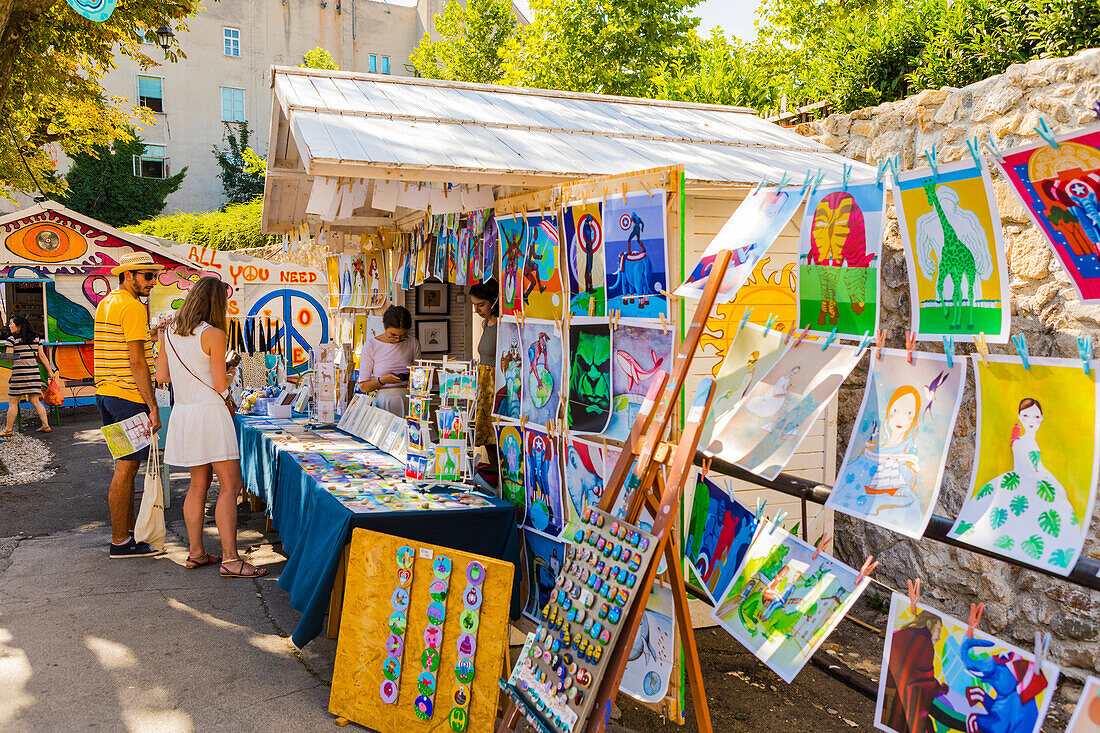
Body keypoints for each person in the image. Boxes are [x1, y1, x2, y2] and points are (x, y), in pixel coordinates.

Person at [155, 276, 268, 578]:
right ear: (217, 304)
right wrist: (229, 379)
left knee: (197, 484)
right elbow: (220, 385)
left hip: (184, 413)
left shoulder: (167, 332)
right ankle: (231, 559)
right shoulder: (214, 334)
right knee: (229, 486)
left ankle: (196, 552)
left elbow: (163, 376)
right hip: (211, 414)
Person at [94, 251, 163, 559]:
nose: (153, 281)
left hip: (107, 394)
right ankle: (120, 541)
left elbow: (124, 346)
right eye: (147, 276)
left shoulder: (107, 302)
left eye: (154, 276)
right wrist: (153, 406)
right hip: (128, 397)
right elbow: (137, 362)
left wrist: (150, 336)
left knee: (124, 465)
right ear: (127, 275)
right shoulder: (133, 307)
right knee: (127, 467)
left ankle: (125, 537)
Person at [357, 305, 421, 417]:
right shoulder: (371, 345)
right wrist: (383, 380)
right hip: (384, 402)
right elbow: (364, 386)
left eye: (403, 336)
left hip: (410, 400)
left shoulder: (413, 343)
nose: (397, 340)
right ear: (383, 325)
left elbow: (421, 376)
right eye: (393, 335)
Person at [1, 314, 58, 435]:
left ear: (19, 326)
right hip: (33, 374)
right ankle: (45, 425)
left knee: (13, 402)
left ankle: (8, 429)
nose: (9, 326)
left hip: (19, 375)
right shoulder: (36, 338)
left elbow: (8, 358)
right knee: (35, 401)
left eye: (11, 323)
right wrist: (50, 371)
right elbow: (42, 356)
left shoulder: (12, 339)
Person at [470, 279, 498, 448]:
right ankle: (493, 472)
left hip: (496, 384)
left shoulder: (504, 324)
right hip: (485, 383)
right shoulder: (487, 323)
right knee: (485, 431)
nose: (476, 310)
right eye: (474, 305)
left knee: (495, 429)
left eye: (481, 305)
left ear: (494, 301)